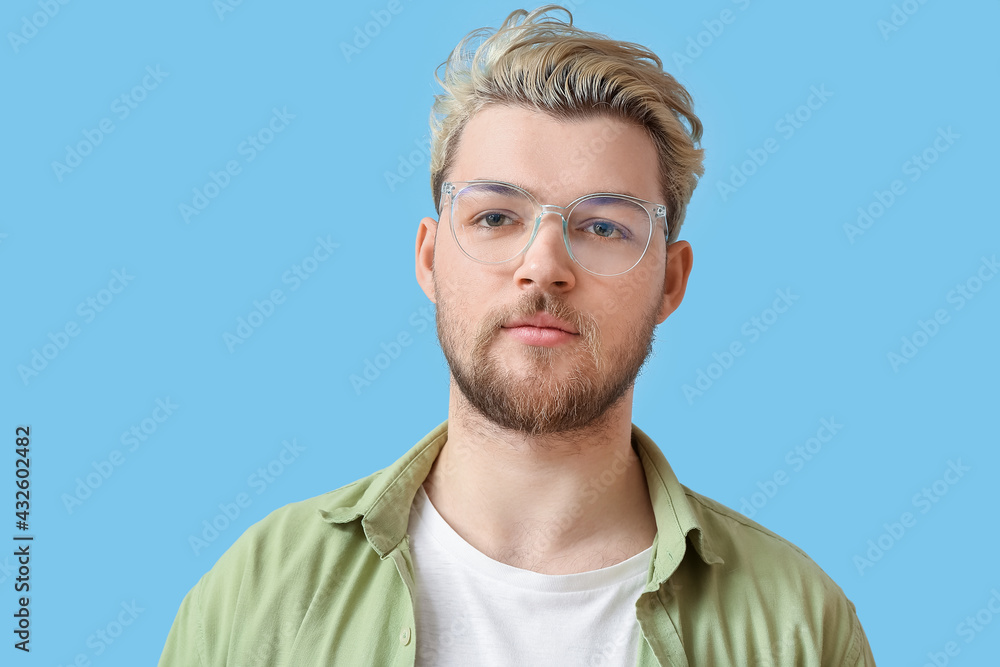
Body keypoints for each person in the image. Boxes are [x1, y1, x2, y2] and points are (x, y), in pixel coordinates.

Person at [159, 5, 876, 665]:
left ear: (670, 282)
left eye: (603, 227)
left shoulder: (798, 627)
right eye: (497, 216)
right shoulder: (261, 593)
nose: (544, 267)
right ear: (430, 257)